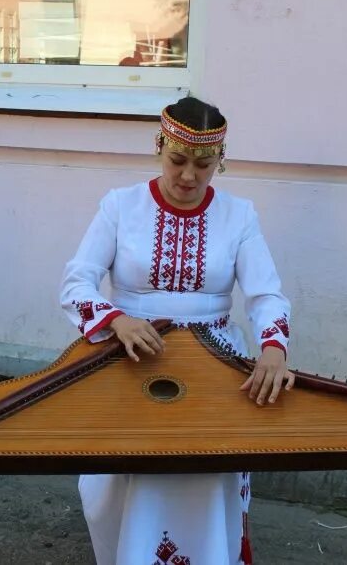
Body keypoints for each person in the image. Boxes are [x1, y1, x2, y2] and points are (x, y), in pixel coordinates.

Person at [60, 96, 295, 564]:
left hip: (214, 363)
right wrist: (117, 320)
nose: (189, 176)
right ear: (159, 147)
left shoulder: (239, 215)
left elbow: (266, 295)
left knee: (206, 468)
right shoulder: (120, 206)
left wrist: (273, 348)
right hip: (129, 356)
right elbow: (76, 281)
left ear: (220, 161)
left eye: (204, 164)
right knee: (127, 473)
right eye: (178, 160)